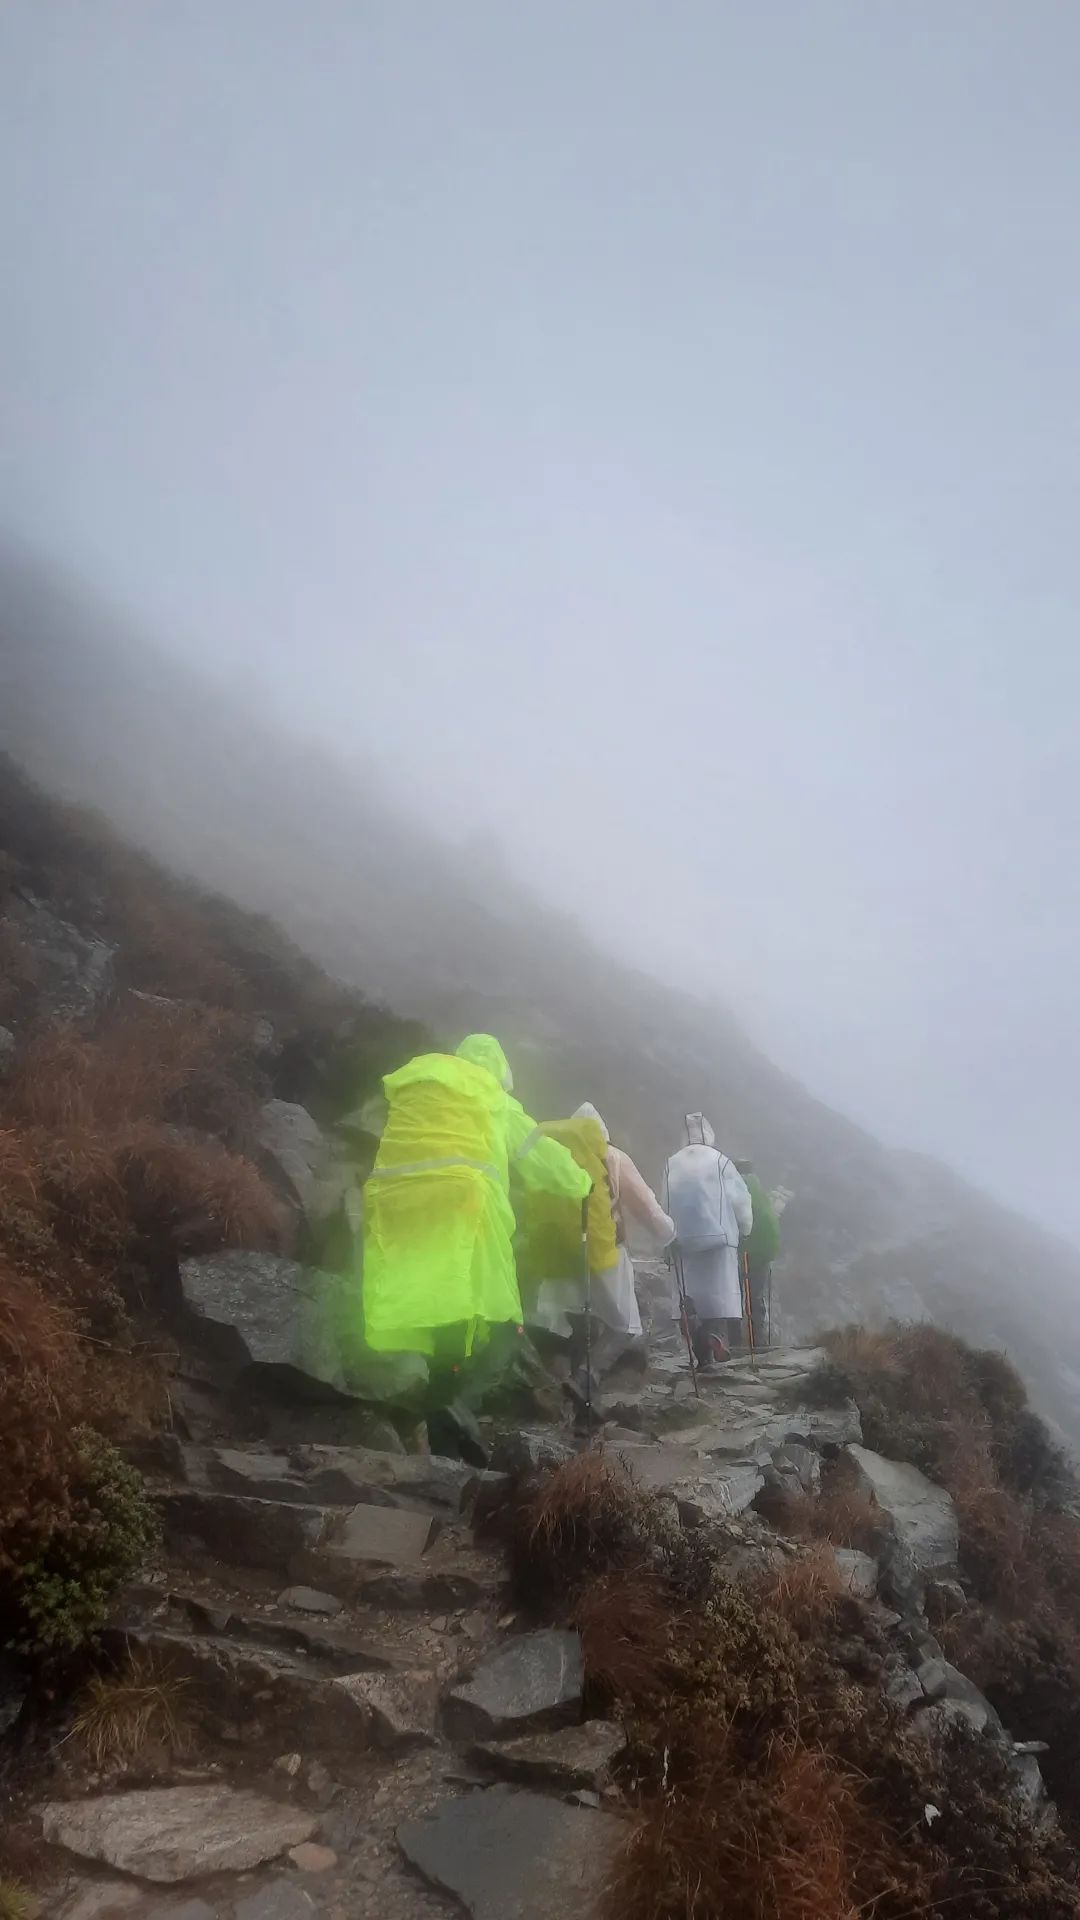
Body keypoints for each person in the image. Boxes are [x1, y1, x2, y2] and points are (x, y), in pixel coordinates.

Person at [361, 1033, 590, 1362]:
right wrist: (582, 1182)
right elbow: (540, 1156)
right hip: (466, 1202)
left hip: (395, 1197)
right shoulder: (493, 1098)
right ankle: (447, 1382)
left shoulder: (419, 1088)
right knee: (469, 1295)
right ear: (500, 1068)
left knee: (414, 1284)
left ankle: (415, 1372)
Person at [664, 1114, 753, 1368]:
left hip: (683, 1241)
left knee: (690, 1299)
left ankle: (701, 1354)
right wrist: (745, 1228)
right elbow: (740, 1199)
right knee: (718, 1299)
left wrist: (666, 1238)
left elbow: (664, 1201)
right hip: (719, 1238)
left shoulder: (672, 1163)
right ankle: (716, 1337)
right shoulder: (721, 1161)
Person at [735, 1157, 781, 1348]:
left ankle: (736, 1344)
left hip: (747, 1248)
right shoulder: (758, 1187)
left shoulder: (737, 1185)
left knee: (736, 1295)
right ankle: (760, 1344)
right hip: (767, 1249)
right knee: (756, 1296)